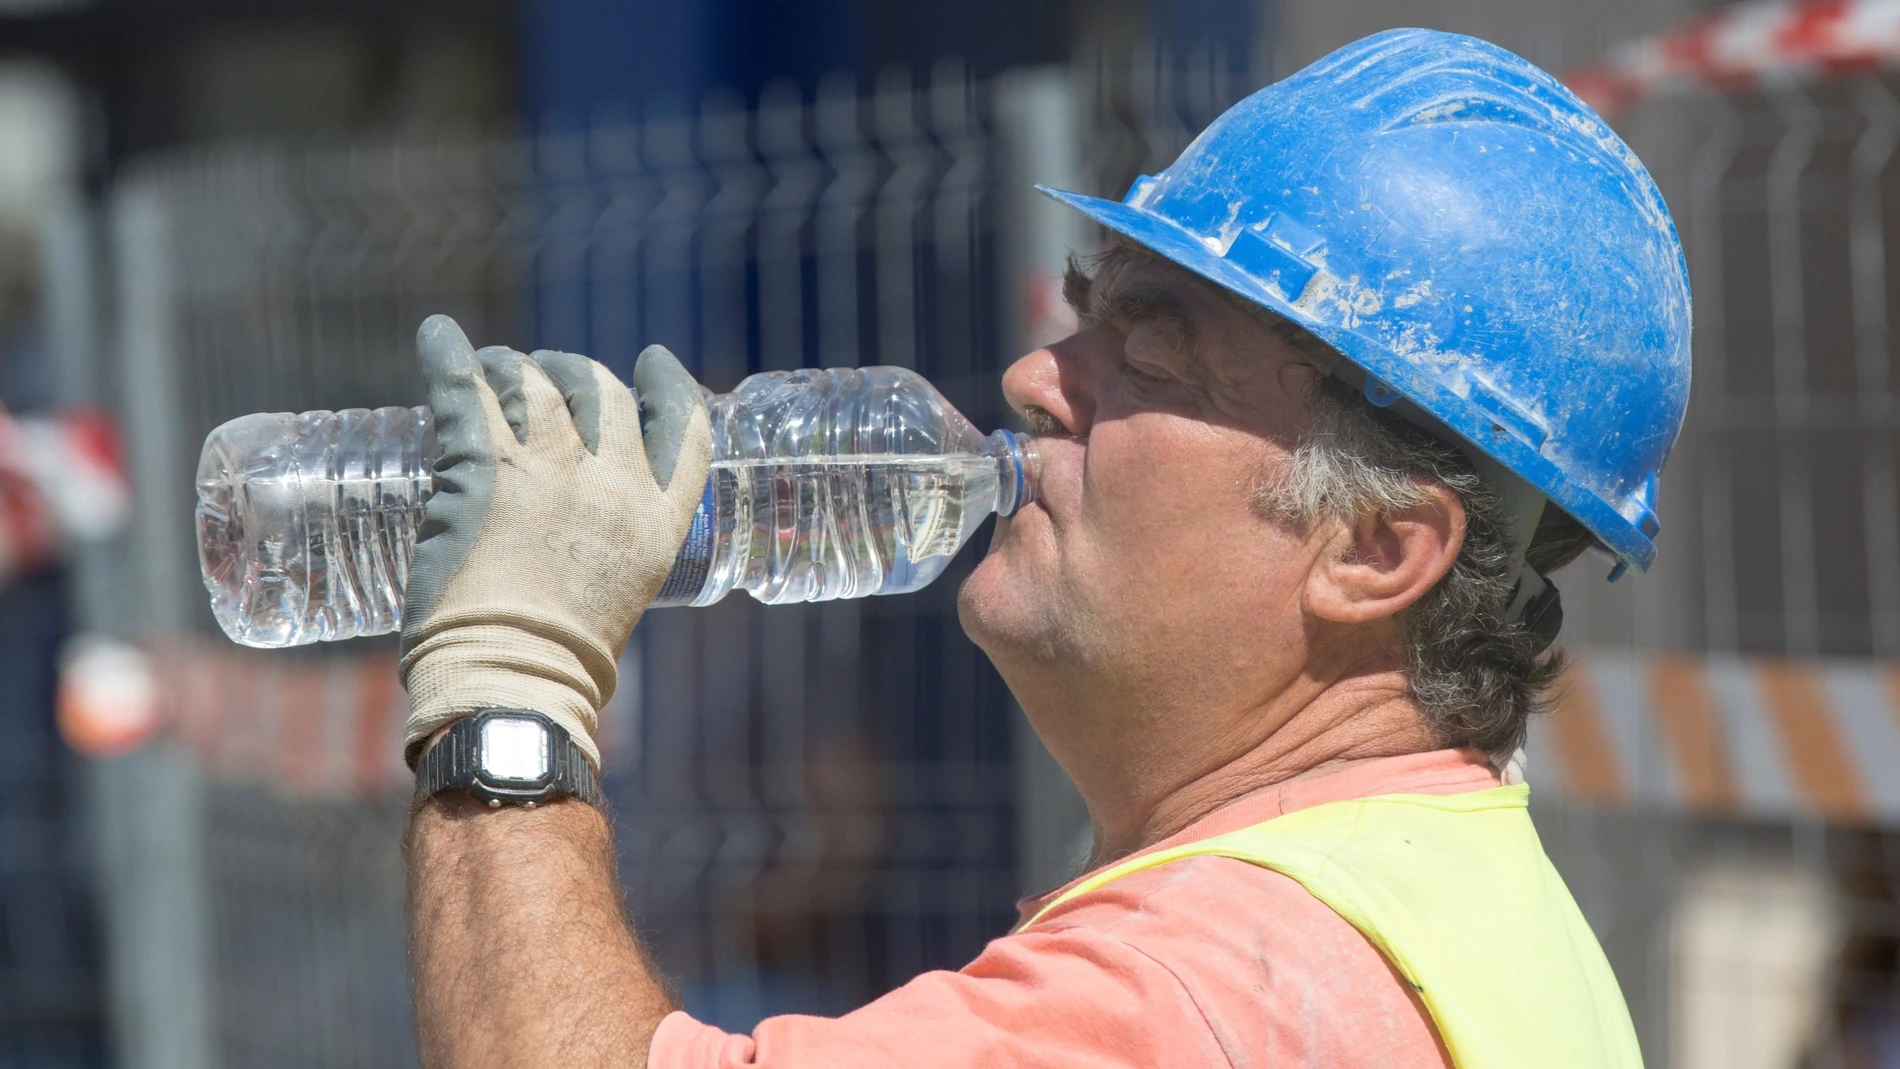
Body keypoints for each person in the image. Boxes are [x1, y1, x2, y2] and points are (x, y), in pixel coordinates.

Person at [400, 28, 1687, 1069]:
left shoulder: (1204, 987)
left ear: (1371, 546)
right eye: (1084, 319)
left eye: (1148, 352)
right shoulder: (1448, 906)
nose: (1030, 375)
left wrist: (506, 680)